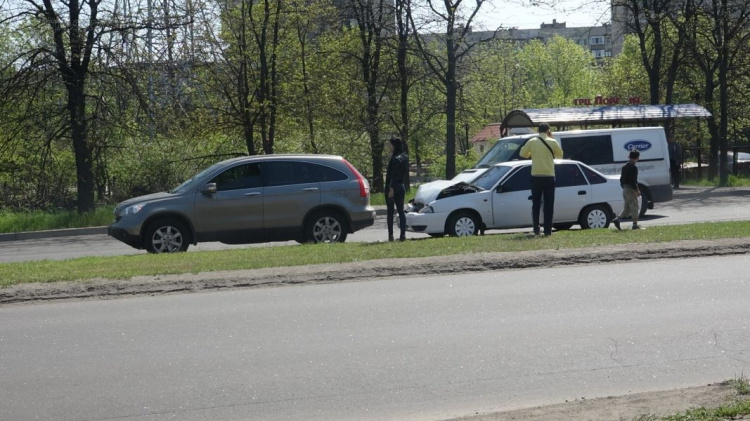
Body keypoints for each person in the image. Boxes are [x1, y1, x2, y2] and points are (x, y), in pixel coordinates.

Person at [519, 123, 563, 236]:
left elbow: (522, 154)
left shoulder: (532, 141)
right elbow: (560, 156)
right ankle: (548, 231)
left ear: (537, 131)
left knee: (536, 204)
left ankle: (536, 229)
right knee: (549, 205)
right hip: (549, 176)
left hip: (536, 176)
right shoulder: (552, 141)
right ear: (548, 130)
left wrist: (531, 153)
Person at [385, 137, 409, 241]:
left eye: (390, 145)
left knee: (390, 212)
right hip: (401, 186)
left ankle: (390, 235)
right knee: (401, 211)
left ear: (394, 146)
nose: (389, 147)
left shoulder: (394, 159)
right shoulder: (405, 157)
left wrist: (391, 188)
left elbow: (393, 175)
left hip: (392, 187)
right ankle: (403, 235)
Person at [612, 150, 642, 230]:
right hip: (630, 189)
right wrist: (637, 190)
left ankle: (617, 219)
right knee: (634, 206)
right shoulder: (634, 168)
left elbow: (621, 179)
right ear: (637, 158)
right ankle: (635, 225)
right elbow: (633, 180)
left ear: (629, 156)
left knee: (627, 207)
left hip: (625, 188)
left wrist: (624, 187)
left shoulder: (624, 167)